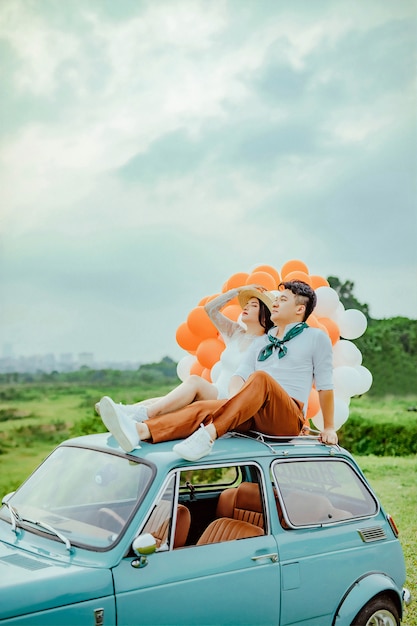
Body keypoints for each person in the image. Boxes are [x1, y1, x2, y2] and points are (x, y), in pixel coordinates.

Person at [99, 280, 338, 460]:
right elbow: (238, 377)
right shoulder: (262, 341)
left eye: (283, 300)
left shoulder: (315, 338)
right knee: (203, 407)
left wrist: (328, 428)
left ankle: (208, 436)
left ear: (299, 310)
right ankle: (139, 431)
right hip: (256, 415)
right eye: (276, 300)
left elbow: (326, 386)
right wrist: (232, 405)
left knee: (261, 378)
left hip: (287, 418)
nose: (275, 303)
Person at [96, 285, 274, 421]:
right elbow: (210, 309)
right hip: (214, 391)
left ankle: (140, 415)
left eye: (253, 305)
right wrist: (237, 291)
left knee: (195, 381)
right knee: (167, 399)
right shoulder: (235, 332)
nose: (246, 307)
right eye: (247, 303)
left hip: (228, 400)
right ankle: (125, 412)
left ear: (264, 316)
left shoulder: (265, 345)